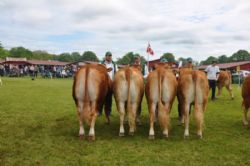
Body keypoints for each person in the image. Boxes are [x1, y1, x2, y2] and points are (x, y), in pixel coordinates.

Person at [100, 51, 118, 124]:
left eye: (110, 56)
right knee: (100, 100)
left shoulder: (114, 64)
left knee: (109, 100)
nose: (110, 57)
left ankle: (107, 116)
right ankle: (99, 112)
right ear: (105, 56)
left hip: (111, 85)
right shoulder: (101, 64)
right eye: (108, 56)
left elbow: (116, 73)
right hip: (102, 85)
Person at [133, 54, 149, 124]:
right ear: (134, 60)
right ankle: (129, 115)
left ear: (139, 60)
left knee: (139, 101)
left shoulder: (143, 66)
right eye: (135, 59)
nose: (136, 60)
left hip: (140, 85)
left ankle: (138, 117)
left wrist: (142, 76)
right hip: (132, 85)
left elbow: (147, 74)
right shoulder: (131, 66)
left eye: (138, 59)